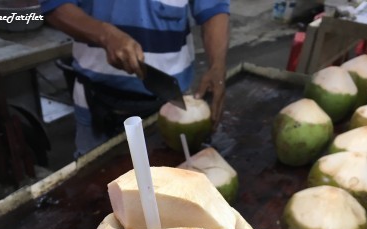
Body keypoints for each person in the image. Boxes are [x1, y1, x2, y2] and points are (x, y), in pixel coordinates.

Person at [40, 0, 230, 157]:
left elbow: (214, 9)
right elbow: (54, 6)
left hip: (173, 106)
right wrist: (104, 34)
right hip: (96, 105)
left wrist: (218, 66)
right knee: (100, 190)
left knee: (174, 186)